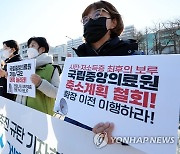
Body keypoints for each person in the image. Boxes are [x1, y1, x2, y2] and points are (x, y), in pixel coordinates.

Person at [67, 0, 143, 144]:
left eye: (97, 14)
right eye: (85, 19)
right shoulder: (77, 64)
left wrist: (122, 136)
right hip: (73, 141)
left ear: (113, 22)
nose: (90, 22)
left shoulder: (137, 62)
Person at [16, 37, 60, 116]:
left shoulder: (52, 68)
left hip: (41, 115)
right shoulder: (23, 67)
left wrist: (40, 83)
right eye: (29, 46)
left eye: (33, 46)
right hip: (22, 113)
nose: (29, 49)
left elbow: (57, 93)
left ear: (42, 49)